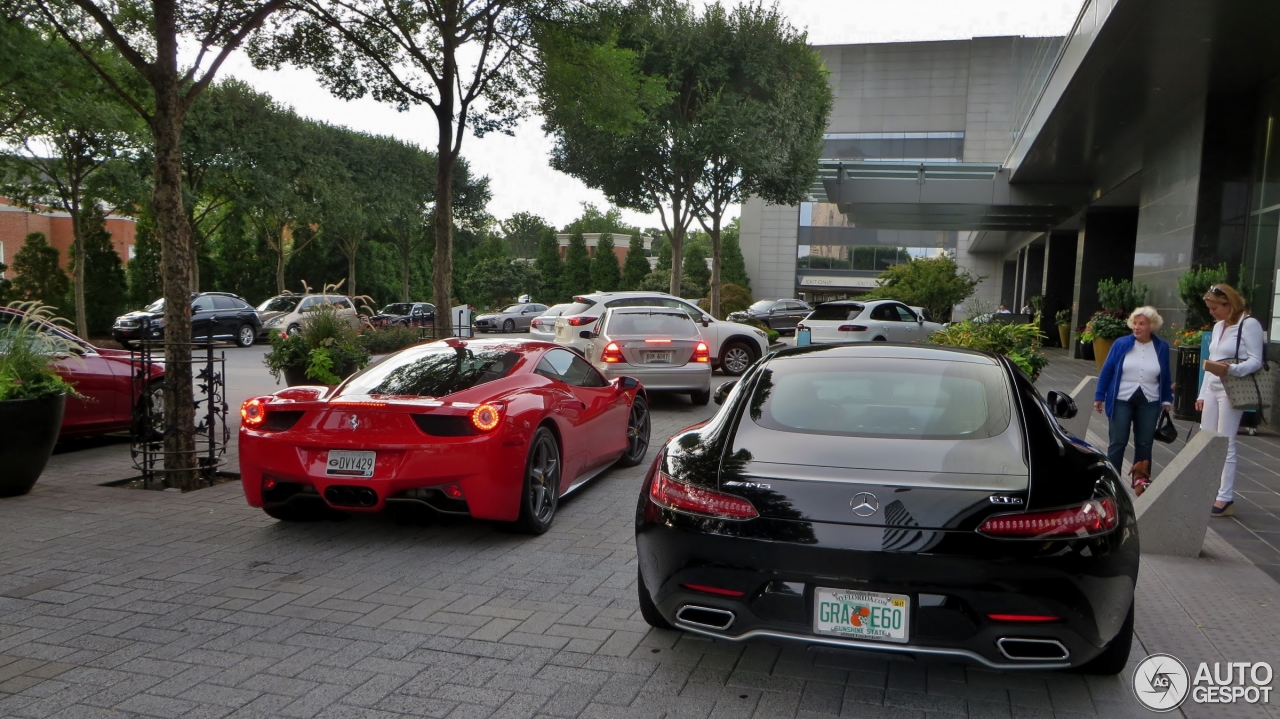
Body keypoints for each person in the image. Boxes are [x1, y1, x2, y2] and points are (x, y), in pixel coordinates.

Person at [1196, 284, 1265, 517]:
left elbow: (1257, 360)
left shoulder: (1249, 324)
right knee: (1207, 438)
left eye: (1215, 307)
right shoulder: (1218, 327)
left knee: (1225, 441)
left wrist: (1232, 370)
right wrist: (1202, 393)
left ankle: (1225, 497)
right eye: (1210, 308)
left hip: (1231, 388)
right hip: (1213, 385)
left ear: (1229, 304)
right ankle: (1207, 489)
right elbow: (1211, 360)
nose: (1212, 312)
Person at [1094, 306, 1173, 496]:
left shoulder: (1161, 347)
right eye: (1134, 323)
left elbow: (1166, 374)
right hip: (1122, 398)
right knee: (1117, 442)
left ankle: (1141, 480)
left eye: (1142, 324)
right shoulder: (1121, 344)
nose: (1137, 327)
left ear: (1152, 326)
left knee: (1145, 443)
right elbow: (1107, 371)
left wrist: (1167, 399)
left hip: (1150, 400)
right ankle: (1112, 482)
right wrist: (1099, 395)